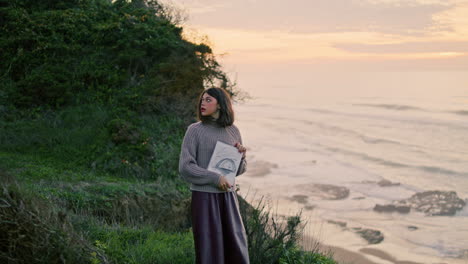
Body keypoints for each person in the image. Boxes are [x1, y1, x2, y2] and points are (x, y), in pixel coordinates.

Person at [178, 87, 250, 264]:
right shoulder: (195, 130)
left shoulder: (233, 131)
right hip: (204, 199)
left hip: (228, 198)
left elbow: (238, 170)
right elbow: (185, 167)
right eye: (202, 99)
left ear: (220, 105)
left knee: (236, 250)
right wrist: (215, 178)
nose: (203, 103)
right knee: (209, 253)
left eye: (208, 100)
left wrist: (241, 156)